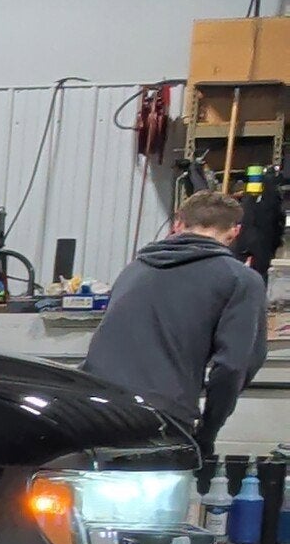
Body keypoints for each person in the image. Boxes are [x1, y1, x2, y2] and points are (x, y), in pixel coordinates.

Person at [84, 186, 268, 460]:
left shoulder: (135, 269)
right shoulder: (240, 279)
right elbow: (233, 367)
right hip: (159, 420)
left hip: (92, 409)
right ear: (234, 232)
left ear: (178, 224)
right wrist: (208, 432)